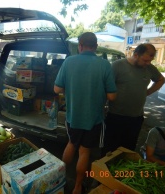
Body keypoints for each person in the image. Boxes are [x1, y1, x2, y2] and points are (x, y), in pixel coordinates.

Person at [54, 32, 117, 194]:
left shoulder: (69, 62)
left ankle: (59, 179)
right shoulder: (104, 65)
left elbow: (57, 89)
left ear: (80, 46)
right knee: (84, 151)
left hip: (73, 116)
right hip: (94, 119)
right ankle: (77, 188)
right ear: (95, 47)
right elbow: (112, 96)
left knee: (71, 144)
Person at [102, 43, 165, 156]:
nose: (147, 64)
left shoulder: (149, 68)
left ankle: (122, 172)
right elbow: (105, 87)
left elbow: (161, 80)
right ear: (136, 55)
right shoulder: (118, 66)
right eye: (145, 60)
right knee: (110, 148)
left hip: (136, 118)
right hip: (116, 116)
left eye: (150, 61)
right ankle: (104, 171)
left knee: (129, 149)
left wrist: (147, 92)